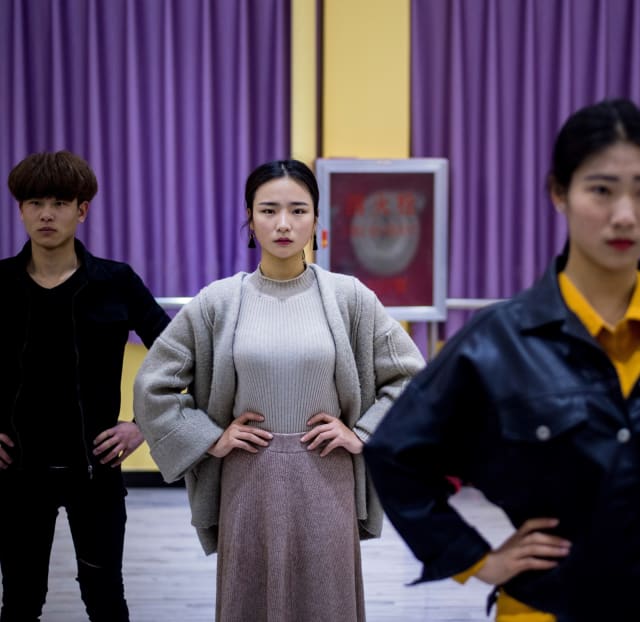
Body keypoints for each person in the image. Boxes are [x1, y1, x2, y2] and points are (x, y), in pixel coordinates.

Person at [363, 99, 640, 622]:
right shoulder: (500, 339)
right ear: (560, 194)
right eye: (601, 189)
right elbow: (396, 453)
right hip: (544, 607)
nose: (625, 214)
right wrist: (478, 560)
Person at [132, 159, 425, 622]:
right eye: (268, 210)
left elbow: (414, 380)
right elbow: (154, 384)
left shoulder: (350, 297)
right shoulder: (219, 302)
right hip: (248, 480)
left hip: (328, 477)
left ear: (316, 219)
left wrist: (363, 434)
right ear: (249, 217)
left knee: (327, 605)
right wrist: (211, 437)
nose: (283, 223)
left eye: (298, 210)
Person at [0, 150, 171, 621]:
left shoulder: (116, 281)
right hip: (15, 474)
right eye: (34, 202)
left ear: (83, 209)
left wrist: (142, 425)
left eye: (59, 202)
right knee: (18, 600)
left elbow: (181, 355)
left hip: (95, 472)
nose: (46, 214)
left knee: (105, 598)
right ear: (20, 209)